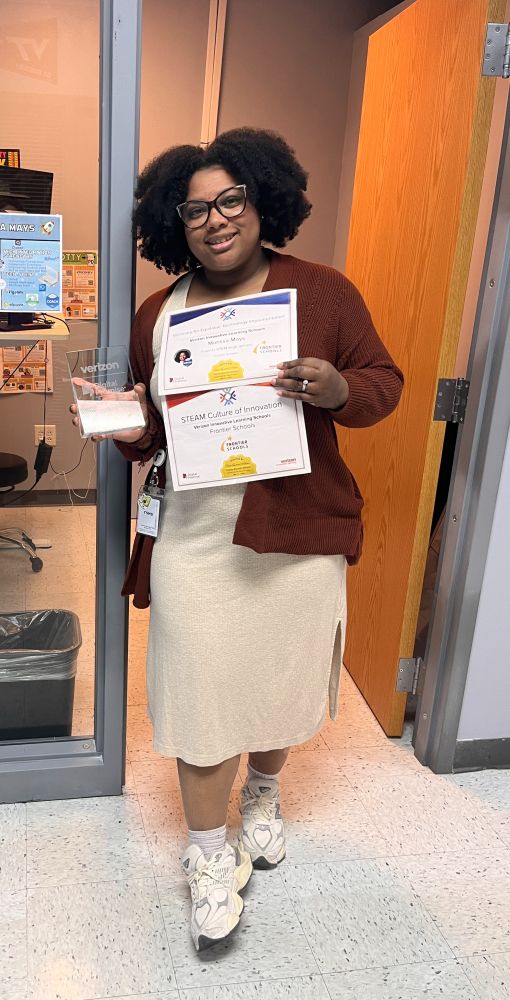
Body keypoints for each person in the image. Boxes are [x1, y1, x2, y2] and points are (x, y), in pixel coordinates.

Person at [70, 127, 403, 952]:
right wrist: (121, 419)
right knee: (199, 692)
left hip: (295, 529)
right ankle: (206, 853)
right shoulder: (162, 311)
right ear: (172, 222)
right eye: (195, 209)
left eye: (231, 200)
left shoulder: (321, 294)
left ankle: (262, 790)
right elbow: (153, 433)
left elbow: (383, 384)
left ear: (263, 202)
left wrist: (335, 387)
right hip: (193, 535)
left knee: (279, 680)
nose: (215, 220)